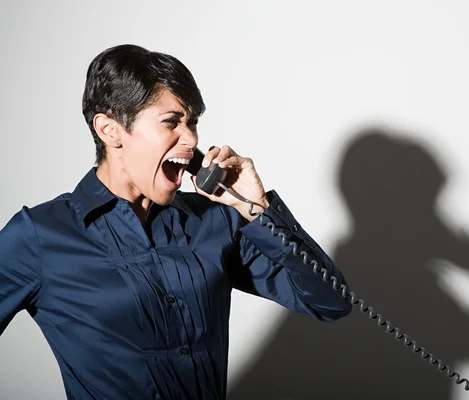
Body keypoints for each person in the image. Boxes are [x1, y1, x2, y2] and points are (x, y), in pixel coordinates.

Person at [0, 44, 352, 399]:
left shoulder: (214, 221)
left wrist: (257, 208)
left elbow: (330, 302)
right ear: (110, 130)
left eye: (193, 122)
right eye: (172, 122)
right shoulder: (40, 235)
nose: (192, 140)